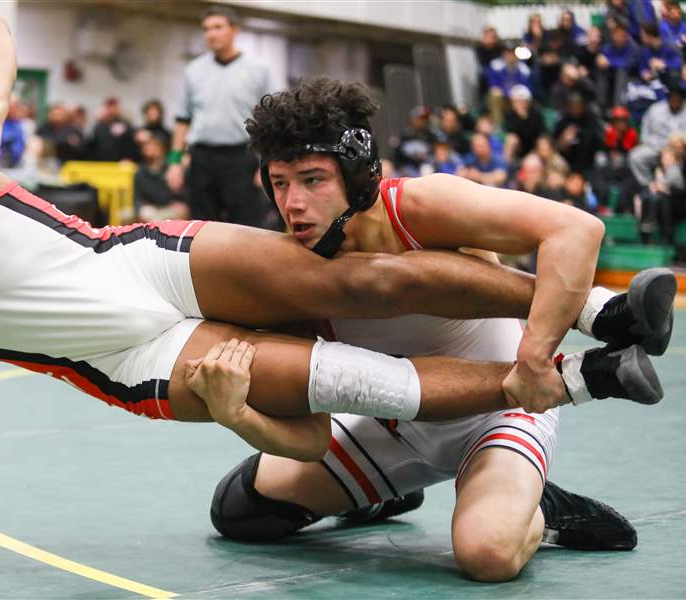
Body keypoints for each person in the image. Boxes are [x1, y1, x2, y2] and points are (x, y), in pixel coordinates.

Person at [0, 18, 671, 553]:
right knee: (350, 379)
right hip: (131, 361)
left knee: (356, 276)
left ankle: (596, 312)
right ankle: (588, 378)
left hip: (134, 257)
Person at [191, 78, 651, 581]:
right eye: (280, 183)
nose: (293, 203)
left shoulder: (418, 208)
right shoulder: (288, 268)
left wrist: (535, 360)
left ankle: (540, 514)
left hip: (497, 413)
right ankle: (383, 497)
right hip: (393, 423)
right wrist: (236, 414)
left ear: (358, 175)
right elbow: (311, 436)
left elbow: (577, 229)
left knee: (487, 555)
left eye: (312, 179)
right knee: (239, 511)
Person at [165, 5, 277, 229]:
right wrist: (174, 163)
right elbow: (182, 120)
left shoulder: (259, 69)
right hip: (202, 158)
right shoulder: (193, 70)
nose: (211, 34)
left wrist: (268, 163)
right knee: (201, 227)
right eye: (206, 29)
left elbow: (272, 121)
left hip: (241, 158)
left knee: (245, 227)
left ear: (234, 30)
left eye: (218, 27)